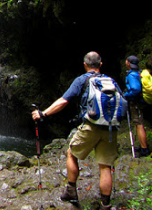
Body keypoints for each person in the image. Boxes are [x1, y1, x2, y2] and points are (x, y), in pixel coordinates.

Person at [31, 52, 119, 210]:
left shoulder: (82, 79)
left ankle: (71, 190)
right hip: (110, 128)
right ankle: (106, 204)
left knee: (71, 153)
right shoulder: (111, 81)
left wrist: (43, 113)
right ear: (101, 64)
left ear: (85, 64)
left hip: (91, 126)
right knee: (105, 166)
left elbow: (64, 101)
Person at [124, 55, 150, 157]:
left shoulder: (132, 75)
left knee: (139, 124)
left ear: (128, 63)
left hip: (136, 102)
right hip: (140, 101)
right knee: (139, 123)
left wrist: (126, 95)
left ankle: (144, 149)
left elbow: (135, 89)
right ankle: (143, 146)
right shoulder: (139, 72)